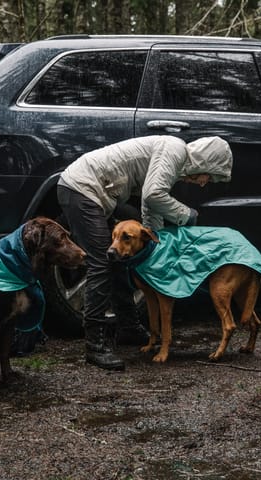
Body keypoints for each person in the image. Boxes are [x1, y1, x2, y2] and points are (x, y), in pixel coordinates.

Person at [57, 135, 233, 371]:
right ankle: (95, 345)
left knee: (120, 259)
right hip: (81, 188)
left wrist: (159, 244)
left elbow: (150, 205)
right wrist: (186, 215)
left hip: (94, 192)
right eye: (209, 176)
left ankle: (128, 327)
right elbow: (153, 195)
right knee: (101, 262)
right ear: (205, 162)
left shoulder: (174, 160)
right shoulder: (175, 150)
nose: (203, 183)